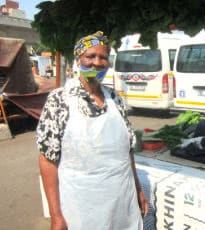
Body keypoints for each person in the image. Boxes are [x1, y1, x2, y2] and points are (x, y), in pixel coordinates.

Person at [36, 31, 148, 230]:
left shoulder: (114, 98)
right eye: (90, 56)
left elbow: (128, 151)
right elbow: (47, 159)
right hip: (81, 207)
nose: (97, 62)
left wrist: (138, 189)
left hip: (122, 202)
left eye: (103, 57)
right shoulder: (60, 99)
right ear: (78, 59)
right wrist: (56, 216)